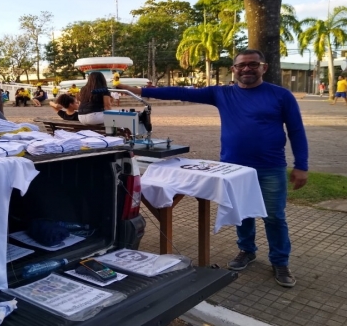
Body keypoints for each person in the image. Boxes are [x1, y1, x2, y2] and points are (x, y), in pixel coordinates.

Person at [117, 49, 308, 288]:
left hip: (270, 167)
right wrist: (141, 91)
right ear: (234, 69)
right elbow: (182, 92)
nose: (247, 69)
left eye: (253, 64)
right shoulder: (222, 94)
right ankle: (246, 250)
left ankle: (280, 261)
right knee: (242, 212)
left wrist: (301, 165)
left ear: (264, 67)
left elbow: (296, 131)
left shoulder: (281, 96)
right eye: (241, 65)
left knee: (275, 217)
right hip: (232, 168)